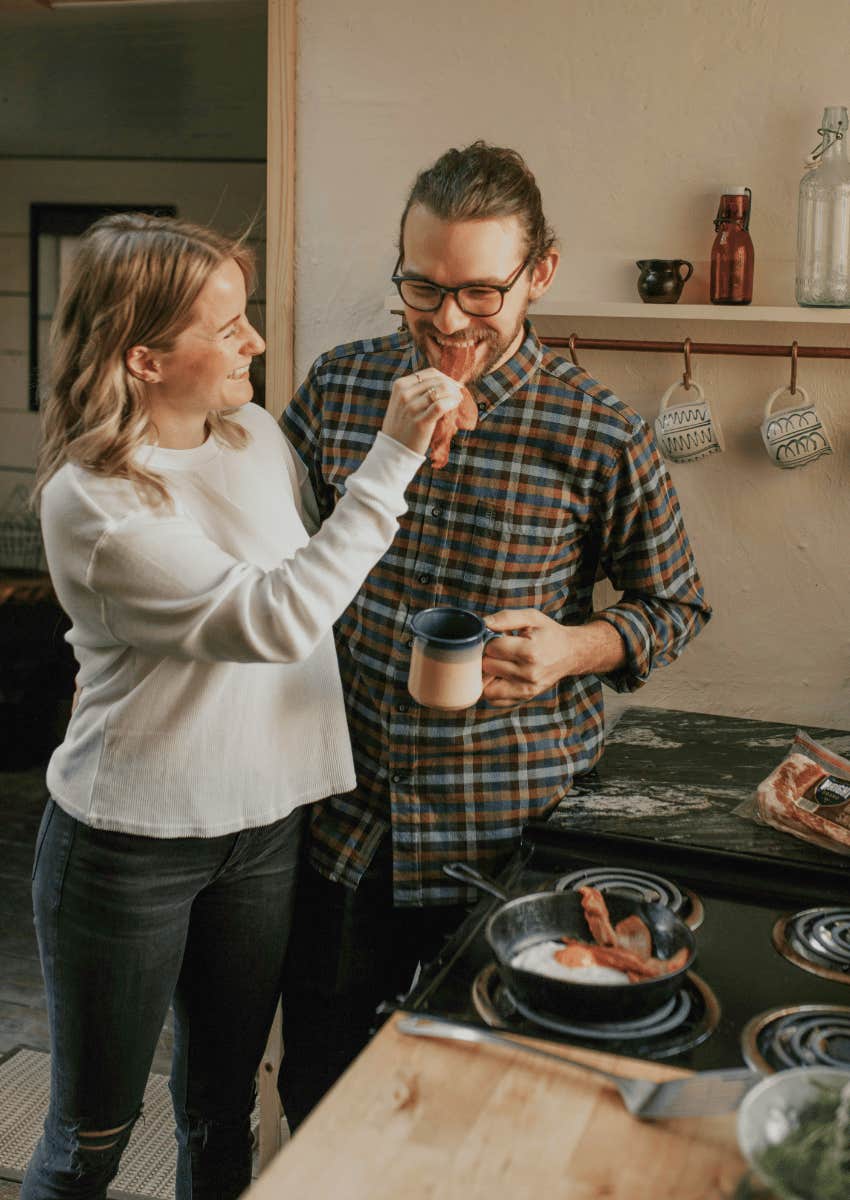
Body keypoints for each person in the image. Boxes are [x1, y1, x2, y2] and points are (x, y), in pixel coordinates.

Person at [23, 212, 463, 1200]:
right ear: (143, 357)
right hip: (128, 845)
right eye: (226, 328)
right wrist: (389, 458)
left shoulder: (256, 432)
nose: (255, 342)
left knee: (223, 1107)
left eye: (246, 317)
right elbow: (275, 618)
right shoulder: (94, 504)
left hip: (264, 825)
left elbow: (310, 568)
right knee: (93, 1135)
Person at [277, 141, 712, 1128]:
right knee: (322, 1100)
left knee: (481, 1120)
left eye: (479, 291)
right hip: (342, 830)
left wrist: (573, 648)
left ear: (540, 273)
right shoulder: (341, 389)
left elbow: (673, 604)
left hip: (503, 849)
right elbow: (262, 565)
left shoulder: (599, 432)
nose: (446, 319)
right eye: (421, 287)